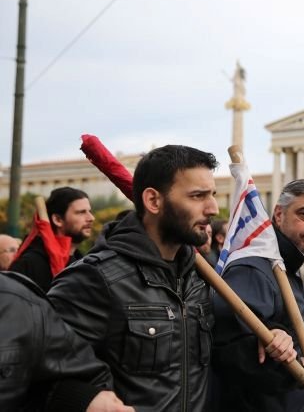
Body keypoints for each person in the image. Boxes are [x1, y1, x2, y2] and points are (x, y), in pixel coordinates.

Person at [48, 145, 241, 410]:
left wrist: (277, 337)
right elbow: (38, 367)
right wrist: (85, 399)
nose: (213, 208)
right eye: (198, 196)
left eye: (212, 195)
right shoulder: (95, 278)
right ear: (153, 201)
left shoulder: (200, 279)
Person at [212, 179, 304, 411]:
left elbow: (285, 327)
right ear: (278, 215)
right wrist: (299, 370)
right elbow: (231, 346)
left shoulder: (290, 266)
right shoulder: (255, 268)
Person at [0, 271, 133, 412]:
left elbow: (61, 374)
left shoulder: (19, 304)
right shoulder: (93, 276)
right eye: (9, 250)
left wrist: (82, 400)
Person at [11, 187, 95, 291]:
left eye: (89, 211)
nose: (91, 218)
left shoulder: (83, 262)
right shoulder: (29, 263)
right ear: (58, 220)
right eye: (81, 212)